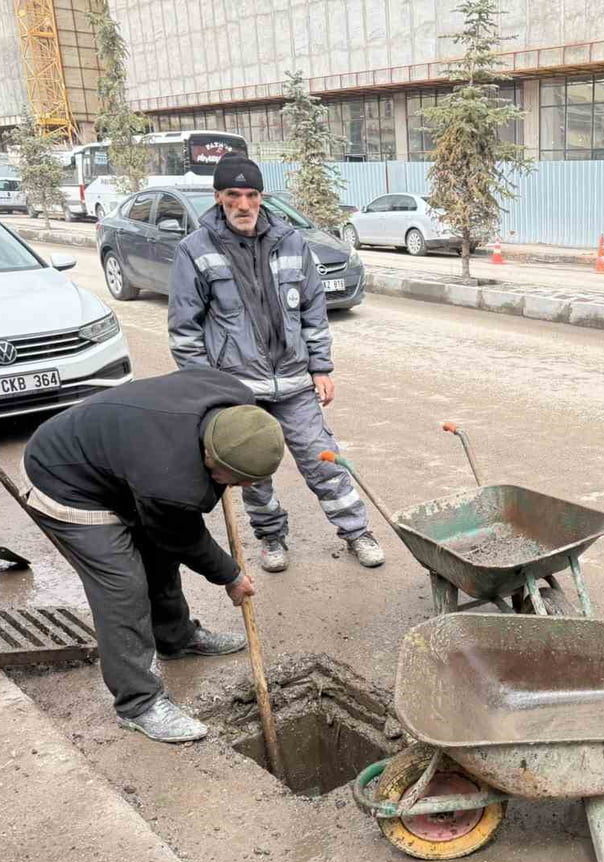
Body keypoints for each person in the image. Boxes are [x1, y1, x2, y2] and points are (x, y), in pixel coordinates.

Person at [20, 368, 286, 743]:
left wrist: (232, 475)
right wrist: (231, 575)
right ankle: (138, 703)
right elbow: (185, 535)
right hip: (64, 479)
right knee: (123, 585)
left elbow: (172, 534)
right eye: (236, 479)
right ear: (209, 454)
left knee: (159, 553)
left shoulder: (236, 401)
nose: (244, 488)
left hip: (121, 459)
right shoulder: (171, 481)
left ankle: (175, 639)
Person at [167, 153, 383, 573]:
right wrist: (205, 389)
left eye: (251, 195)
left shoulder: (291, 242)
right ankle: (271, 538)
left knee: (323, 458)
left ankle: (357, 532)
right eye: (234, 195)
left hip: (294, 382)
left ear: (261, 197)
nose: (244, 205)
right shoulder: (195, 251)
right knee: (252, 470)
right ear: (218, 197)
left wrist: (320, 367)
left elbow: (312, 310)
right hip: (237, 388)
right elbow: (184, 330)